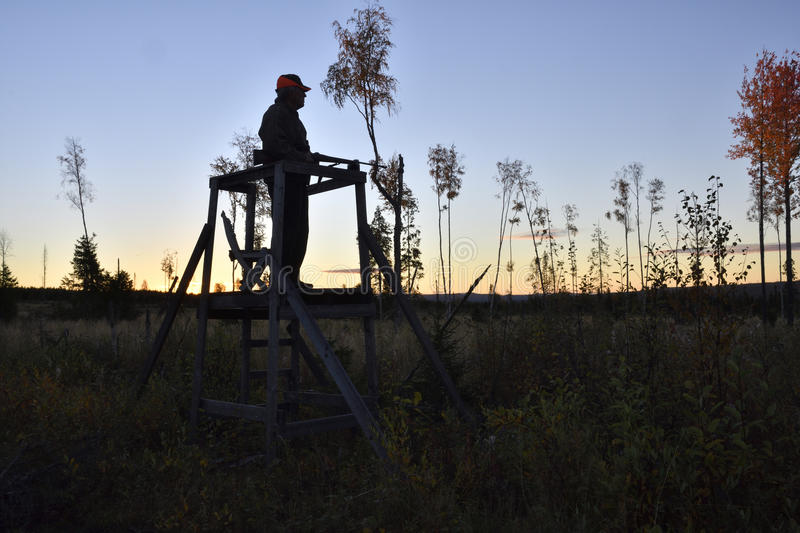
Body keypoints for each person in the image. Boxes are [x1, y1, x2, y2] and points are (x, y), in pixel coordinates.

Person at [258, 74, 317, 289]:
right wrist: (303, 158)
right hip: (283, 181)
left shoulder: (294, 119)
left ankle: (291, 279)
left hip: (297, 180)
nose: (304, 96)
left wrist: (310, 156)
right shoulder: (275, 114)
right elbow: (275, 147)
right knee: (287, 229)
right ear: (291, 91)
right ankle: (282, 281)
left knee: (301, 231)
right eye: (302, 91)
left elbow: (301, 147)